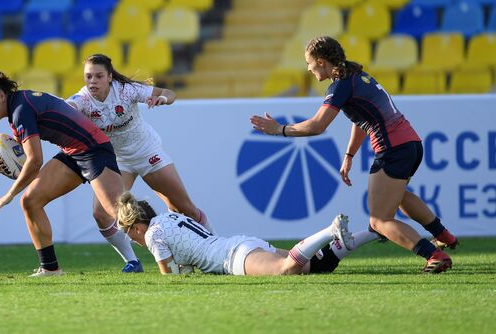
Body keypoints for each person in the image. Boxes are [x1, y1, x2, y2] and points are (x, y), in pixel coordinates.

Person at [250, 36, 458, 274]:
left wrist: (280, 130)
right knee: (399, 197)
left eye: (309, 63)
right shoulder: (355, 76)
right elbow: (361, 119)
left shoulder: (340, 85)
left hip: (393, 150)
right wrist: (349, 154)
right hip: (410, 144)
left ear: (320, 61)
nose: (308, 68)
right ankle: (443, 236)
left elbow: (318, 125)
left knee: (379, 222)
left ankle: (434, 256)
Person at [0, 70, 142, 277]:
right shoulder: (18, 106)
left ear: (1, 96)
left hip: (94, 150)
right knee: (30, 201)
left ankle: (174, 246)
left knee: (119, 214)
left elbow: (34, 162)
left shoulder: (20, 110)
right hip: (73, 153)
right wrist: (0, 165)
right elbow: (22, 159)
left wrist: (9, 195)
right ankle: (50, 268)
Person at [65, 54, 215, 245]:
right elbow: (68, 106)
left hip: (147, 152)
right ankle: (134, 260)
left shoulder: (126, 90)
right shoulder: (84, 99)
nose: (92, 81)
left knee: (184, 208)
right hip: (118, 161)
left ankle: (216, 244)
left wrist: (161, 98)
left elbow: (170, 93)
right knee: (101, 214)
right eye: (88, 76)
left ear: (110, 77)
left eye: (98, 76)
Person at [116, 191, 362, 275]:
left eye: (130, 234)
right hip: (237, 244)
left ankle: (331, 230)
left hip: (232, 258)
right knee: (316, 266)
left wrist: (184, 270)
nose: (133, 240)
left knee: (287, 269)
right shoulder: (169, 216)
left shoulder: (151, 235)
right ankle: (370, 233)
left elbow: (169, 275)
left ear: (137, 226)